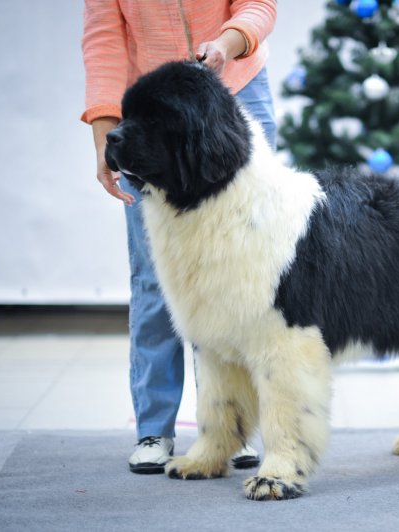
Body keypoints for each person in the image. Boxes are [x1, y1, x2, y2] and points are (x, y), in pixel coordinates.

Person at [81, 0, 278, 474]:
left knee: (242, 277)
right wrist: (108, 144)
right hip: (153, 119)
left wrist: (226, 45)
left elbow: (259, 5)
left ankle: (233, 426)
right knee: (156, 278)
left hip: (236, 90)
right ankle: (154, 429)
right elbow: (104, 45)